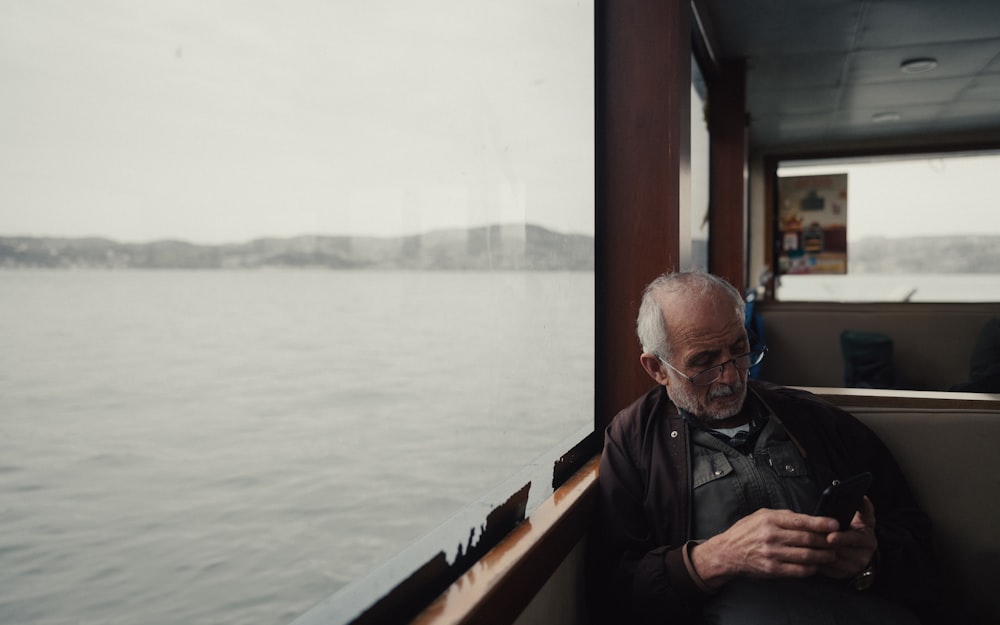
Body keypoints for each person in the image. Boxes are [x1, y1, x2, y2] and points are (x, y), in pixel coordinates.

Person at [592, 271, 945, 625]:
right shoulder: (634, 441)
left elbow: (917, 537)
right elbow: (616, 590)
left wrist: (870, 559)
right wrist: (712, 559)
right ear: (657, 368)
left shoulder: (813, 419)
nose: (730, 376)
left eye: (740, 350)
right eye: (705, 363)